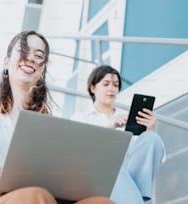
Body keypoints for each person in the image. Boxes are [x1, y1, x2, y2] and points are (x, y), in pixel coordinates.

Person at [0, 30, 114, 204]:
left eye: (39, 55)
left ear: (42, 71)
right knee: (34, 195)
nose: (31, 58)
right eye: (23, 50)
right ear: (6, 61)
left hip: (43, 196)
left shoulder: (49, 124)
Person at [71, 65, 166, 204]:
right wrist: (111, 126)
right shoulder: (81, 117)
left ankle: (135, 197)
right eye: (106, 84)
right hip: (98, 176)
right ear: (93, 88)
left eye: (116, 85)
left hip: (129, 175)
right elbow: (78, 152)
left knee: (152, 138)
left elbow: (152, 159)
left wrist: (151, 129)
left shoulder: (127, 117)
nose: (112, 88)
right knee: (116, 167)